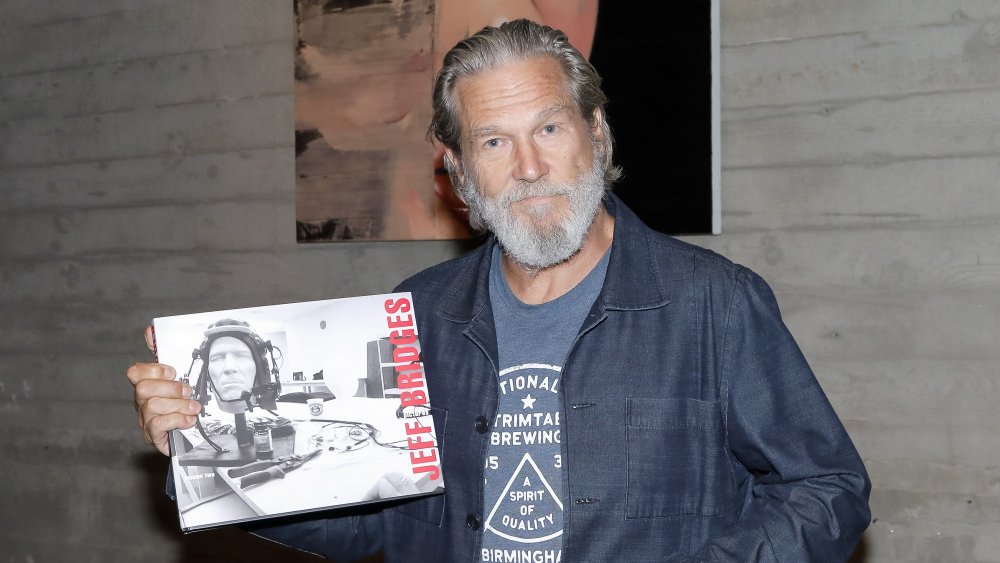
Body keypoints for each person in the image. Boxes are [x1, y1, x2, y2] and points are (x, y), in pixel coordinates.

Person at [128, 19, 871, 562]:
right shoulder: (415, 315)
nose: (528, 166)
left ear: (598, 134)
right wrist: (201, 453)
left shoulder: (717, 304)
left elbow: (829, 487)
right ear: (456, 170)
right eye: (492, 141)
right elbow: (371, 525)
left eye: (549, 128)